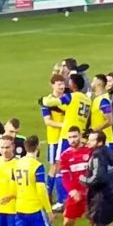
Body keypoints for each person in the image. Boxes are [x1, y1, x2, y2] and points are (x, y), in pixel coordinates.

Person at [40, 74, 91, 211]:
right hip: (77, 135)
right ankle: (78, 197)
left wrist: (44, 100)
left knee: (60, 167)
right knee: (74, 167)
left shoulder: (71, 97)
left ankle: (62, 200)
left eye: (67, 82)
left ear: (73, 85)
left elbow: (51, 103)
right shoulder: (87, 99)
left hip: (66, 136)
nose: (65, 85)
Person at [46, 126, 91, 226]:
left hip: (90, 194)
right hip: (74, 195)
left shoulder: (89, 151)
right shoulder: (65, 155)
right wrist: (72, 191)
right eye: (70, 137)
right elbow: (65, 177)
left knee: (96, 225)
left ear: (80, 136)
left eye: (75, 136)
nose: (72, 140)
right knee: (67, 224)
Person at [41, 74, 67, 202]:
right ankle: (48, 194)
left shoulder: (68, 99)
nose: (61, 87)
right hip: (55, 139)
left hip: (67, 139)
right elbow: (48, 121)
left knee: (64, 167)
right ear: (52, 85)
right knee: (55, 167)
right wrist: (64, 125)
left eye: (63, 84)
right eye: (59, 84)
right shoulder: (47, 101)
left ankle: (62, 196)